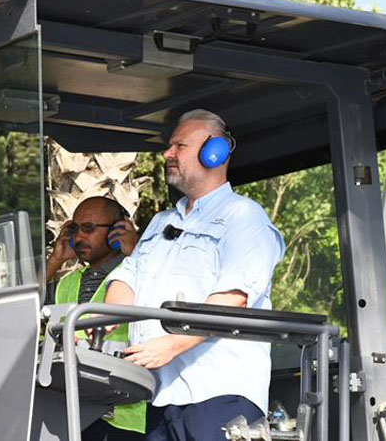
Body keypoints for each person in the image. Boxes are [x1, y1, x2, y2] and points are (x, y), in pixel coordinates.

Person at [104, 109, 286, 441]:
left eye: (179, 146)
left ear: (213, 152)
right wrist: (103, 321)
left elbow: (234, 299)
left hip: (220, 395)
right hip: (160, 396)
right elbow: (125, 279)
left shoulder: (244, 216)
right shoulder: (161, 223)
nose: (167, 154)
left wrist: (172, 345)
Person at [45, 196, 146, 440]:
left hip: (123, 418)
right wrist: (56, 260)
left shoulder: (141, 273)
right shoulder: (66, 284)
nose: (78, 238)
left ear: (117, 231)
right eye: (74, 230)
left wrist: (136, 251)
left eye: (88, 229)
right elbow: (27, 303)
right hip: (72, 413)